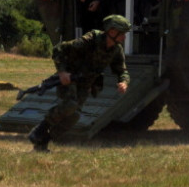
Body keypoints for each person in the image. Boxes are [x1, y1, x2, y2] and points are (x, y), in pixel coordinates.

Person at [27, 15, 132, 152]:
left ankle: (43, 142)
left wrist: (123, 81)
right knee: (70, 105)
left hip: (85, 85)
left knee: (73, 117)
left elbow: (121, 70)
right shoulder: (91, 39)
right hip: (70, 78)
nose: (124, 38)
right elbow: (59, 49)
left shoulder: (116, 50)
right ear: (112, 31)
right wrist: (62, 72)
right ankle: (39, 130)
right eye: (122, 33)